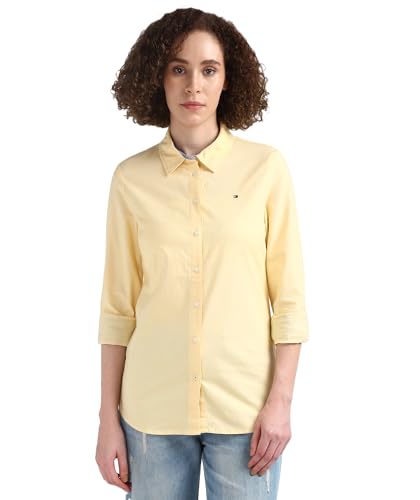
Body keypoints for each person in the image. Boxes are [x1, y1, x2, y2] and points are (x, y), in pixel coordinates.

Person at [95, 7, 310, 500]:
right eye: (179, 68)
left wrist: (281, 401)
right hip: (151, 413)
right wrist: (108, 418)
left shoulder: (266, 170)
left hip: (246, 413)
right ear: (159, 77)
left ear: (227, 80)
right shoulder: (130, 180)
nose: (194, 85)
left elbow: (290, 301)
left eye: (208, 69)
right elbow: (117, 309)